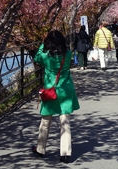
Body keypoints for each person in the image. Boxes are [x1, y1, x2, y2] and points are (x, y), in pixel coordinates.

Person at [32, 30, 80, 164]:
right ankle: (65, 153)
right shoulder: (68, 54)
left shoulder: (46, 57)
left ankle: (41, 149)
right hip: (65, 90)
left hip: (50, 91)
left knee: (45, 121)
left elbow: (37, 57)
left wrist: (42, 44)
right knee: (65, 122)